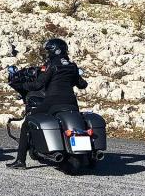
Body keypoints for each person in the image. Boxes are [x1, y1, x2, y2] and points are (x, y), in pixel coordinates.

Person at [6, 38, 87, 169]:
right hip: (71, 103)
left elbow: (38, 84)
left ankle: (20, 161)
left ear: (55, 51)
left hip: (53, 101)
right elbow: (83, 84)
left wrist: (21, 84)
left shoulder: (52, 65)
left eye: (49, 51)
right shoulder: (72, 66)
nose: (47, 54)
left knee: (27, 123)